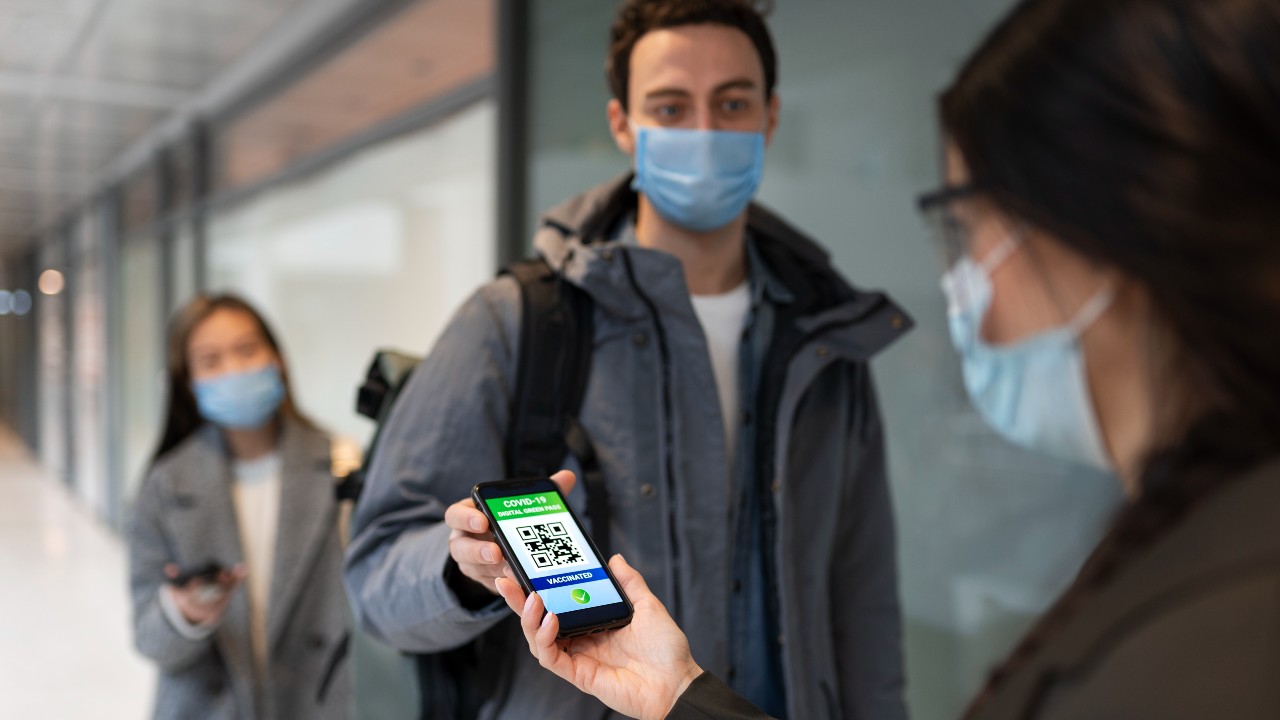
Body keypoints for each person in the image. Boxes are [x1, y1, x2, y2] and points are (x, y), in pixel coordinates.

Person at [493, 0, 1280, 718]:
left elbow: (861, 602)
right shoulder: (1199, 553)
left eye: (967, 230)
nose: (959, 282)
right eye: (672, 107)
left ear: (1101, 233)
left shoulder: (1209, 632)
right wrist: (678, 694)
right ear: (621, 123)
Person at [343, 1, 912, 718]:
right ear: (622, 125)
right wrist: (463, 574)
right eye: (670, 107)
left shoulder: (830, 341)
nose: (703, 131)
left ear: (769, 118)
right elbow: (374, 576)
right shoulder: (515, 322)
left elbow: (864, 620)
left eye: (730, 102)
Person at [127, 295, 351, 719]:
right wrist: (185, 614)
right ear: (188, 382)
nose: (233, 370)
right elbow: (147, 638)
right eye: (210, 360)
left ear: (277, 358)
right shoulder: (164, 485)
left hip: (322, 702)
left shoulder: (343, 464)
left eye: (247, 350)